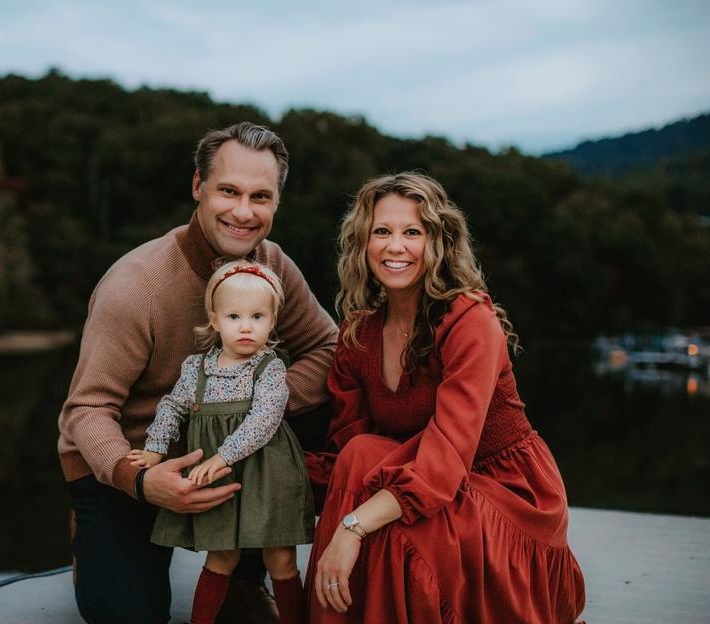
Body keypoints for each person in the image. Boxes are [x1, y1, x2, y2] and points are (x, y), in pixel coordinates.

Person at [58, 122, 338, 624]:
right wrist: (139, 479)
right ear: (197, 187)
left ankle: (245, 573)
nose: (243, 212)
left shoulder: (274, 266)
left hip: (232, 451)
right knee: (131, 616)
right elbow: (88, 408)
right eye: (229, 191)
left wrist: (259, 402)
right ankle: (95, 538)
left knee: (334, 402)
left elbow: (328, 348)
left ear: (277, 202)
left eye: (260, 196)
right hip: (135, 459)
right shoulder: (137, 285)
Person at [305, 172, 586, 623]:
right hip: (420, 479)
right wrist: (251, 462)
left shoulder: (469, 321)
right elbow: (344, 454)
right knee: (359, 456)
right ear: (362, 243)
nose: (396, 247)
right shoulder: (358, 334)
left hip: (505, 492)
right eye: (382, 231)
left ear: (438, 242)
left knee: (375, 495)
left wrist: (351, 528)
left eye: (413, 232)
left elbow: (448, 455)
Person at [127, 260, 314, 624]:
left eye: (257, 317)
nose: (246, 326)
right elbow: (173, 406)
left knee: (280, 557)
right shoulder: (196, 368)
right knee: (221, 554)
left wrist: (223, 456)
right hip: (218, 476)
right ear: (214, 319)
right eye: (233, 317)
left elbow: (265, 418)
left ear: (272, 321)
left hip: (268, 471)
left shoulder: (269, 367)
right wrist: (155, 449)